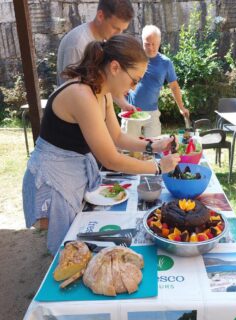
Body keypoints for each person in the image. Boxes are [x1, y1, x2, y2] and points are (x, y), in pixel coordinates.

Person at [23, 34, 180, 255]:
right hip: (54, 179)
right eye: (134, 79)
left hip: (71, 174)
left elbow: (117, 137)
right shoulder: (81, 94)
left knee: (76, 247)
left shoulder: (102, 92)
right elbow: (110, 159)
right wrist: (158, 167)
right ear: (115, 67)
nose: (134, 88)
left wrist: (153, 146)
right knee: (67, 252)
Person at [117, 25, 190, 137]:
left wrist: (181, 107)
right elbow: (118, 77)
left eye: (154, 44)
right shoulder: (132, 58)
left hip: (152, 113)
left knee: (154, 147)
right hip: (131, 111)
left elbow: (174, 86)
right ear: (142, 42)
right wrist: (121, 94)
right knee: (130, 149)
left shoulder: (166, 63)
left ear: (159, 42)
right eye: (147, 44)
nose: (150, 47)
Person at [57, 0, 134, 87]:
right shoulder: (77, 44)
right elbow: (72, 90)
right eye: (115, 28)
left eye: (122, 30)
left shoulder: (105, 39)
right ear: (100, 16)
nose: (119, 34)